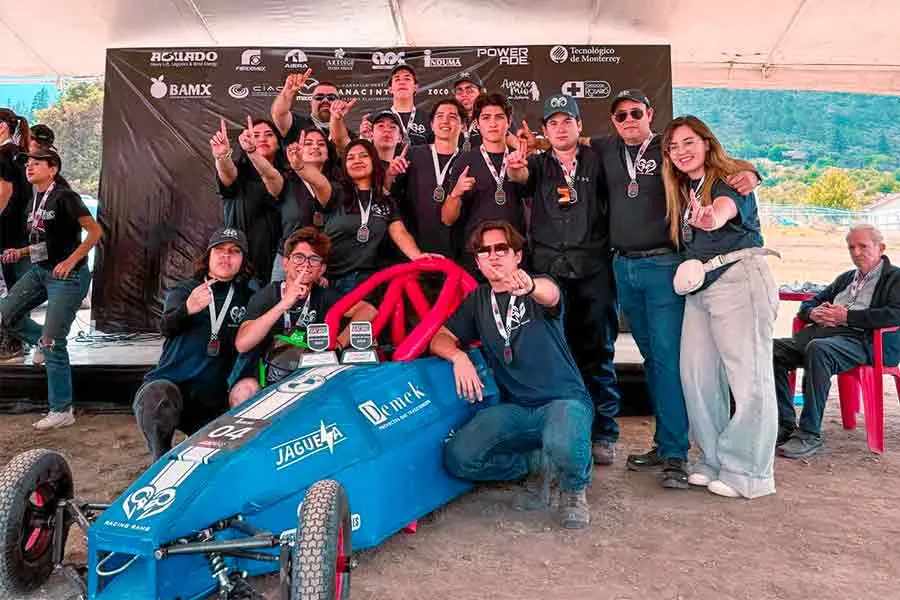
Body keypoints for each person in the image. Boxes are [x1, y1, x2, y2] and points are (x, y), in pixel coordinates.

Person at [567, 89, 759, 478]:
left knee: (669, 361)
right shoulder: (606, 147)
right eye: (620, 116)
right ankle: (665, 443)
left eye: (635, 113)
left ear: (649, 113)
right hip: (624, 268)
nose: (628, 120)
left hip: (664, 265)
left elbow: (727, 164)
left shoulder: (669, 148)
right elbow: (574, 140)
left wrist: (754, 172)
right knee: (653, 359)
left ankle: (675, 453)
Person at [429, 220, 593, 529]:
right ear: (477, 261)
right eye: (484, 251)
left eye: (501, 248)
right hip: (517, 408)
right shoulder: (478, 300)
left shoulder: (537, 284)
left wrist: (530, 287)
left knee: (563, 440)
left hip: (563, 401)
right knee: (459, 458)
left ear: (517, 255)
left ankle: (573, 488)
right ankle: (536, 465)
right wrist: (458, 356)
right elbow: (440, 336)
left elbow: (551, 294)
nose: (493, 256)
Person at [505, 94, 628, 480]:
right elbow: (519, 180)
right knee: (553, 352)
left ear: (579, 126)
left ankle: (603, 431)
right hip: (548, 272)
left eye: (567, 121)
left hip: (592, 268)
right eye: (553, 123)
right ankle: (555, 430)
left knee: (597, 350)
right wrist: (514, 169)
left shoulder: (599, 160)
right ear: (545, 131)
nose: (560, 127)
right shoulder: (537, 164)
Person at [662, 115, 778, 499]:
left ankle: (748, 472)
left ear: (707, 143)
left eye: (689, 142)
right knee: (696, 375)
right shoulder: (681, 187)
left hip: (739, 277)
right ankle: (712, 458)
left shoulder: (731, 178)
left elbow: (725, 207)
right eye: (674, 146)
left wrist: (713, 217)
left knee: (749, 377)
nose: (681, 151)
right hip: (700, 286)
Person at [774, 224, 900, 459]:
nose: (856, 252)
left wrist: (847, 317)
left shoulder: (895, 278)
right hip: (827, 337)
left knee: (819, 350)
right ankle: (785, 424)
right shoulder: (845, 278)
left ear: (881, 247)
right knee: (771, 350)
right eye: (851, 247)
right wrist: (812, 314)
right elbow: (809, 303)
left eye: (863, 246)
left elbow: (894, 314)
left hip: (865, 342)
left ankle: (809, 434)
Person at [0, 148, 102, 429]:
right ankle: (40, 342)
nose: (29, 168)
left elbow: (95, 232)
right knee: (6, 314)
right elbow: (47, 244)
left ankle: (62, 409)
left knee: (54, 341)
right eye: (28, 164)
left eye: (36, 163)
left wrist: (71, 260)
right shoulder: (32, 200)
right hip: (41, 270)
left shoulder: (66, 197)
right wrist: (19, 253)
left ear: (53, 168)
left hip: (68, 277)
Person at [133, 228, 254, 459]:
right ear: (208, 255)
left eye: (234, 251)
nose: (225, 256)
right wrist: (187, 309)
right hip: (173, 387)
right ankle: (161, 461)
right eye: (219, 250)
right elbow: (165, 327)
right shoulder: (186, 289)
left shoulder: (248, 297)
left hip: (214, 398)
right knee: (156, 395)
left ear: (243, 260)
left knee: (211, 464)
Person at [229, 227, 377, 406]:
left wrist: (338, 343)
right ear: (285, 263)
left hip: (310, 378)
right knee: (242, 392)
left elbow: (368, 310)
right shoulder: (268, 295)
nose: (306, 264)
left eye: (314, 259)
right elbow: (242, 344)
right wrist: (285, 303)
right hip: (267, 378)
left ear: (321, 269)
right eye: (299, 257)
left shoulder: (324, 295)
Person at [323, 139, 435, 294]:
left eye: (363, 156)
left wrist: (418, 257)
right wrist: (300, 167)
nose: (357, 161)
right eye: (350, 158)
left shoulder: (386, 201)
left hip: (366, 282)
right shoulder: (334, 192)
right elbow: (315, 179)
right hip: (328, 280)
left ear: (373, 161)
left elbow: (400, 233)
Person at [442, 93, 526, 274]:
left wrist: (518, 170)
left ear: (509, 121)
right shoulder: (464, 161)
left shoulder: (519, 157)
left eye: (499, 117)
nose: (493, 123)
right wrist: (456, 193)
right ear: (477, 124)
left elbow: (524, 178)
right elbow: (447, 219)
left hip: (514, 254)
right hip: (477, 256)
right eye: (486, 118)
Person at [386, 98, 465, 259]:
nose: (445, 121)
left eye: (452, 116)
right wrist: (390, 174)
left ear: (462, 125)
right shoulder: (412, 154)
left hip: (455, 253)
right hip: (413, 251)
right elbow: (387, 193)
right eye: (440, 116)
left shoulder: (468, 160)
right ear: (431, 124)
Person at [210, 116, 284, 283]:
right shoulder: (239, 170)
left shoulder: (287, 174)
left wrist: (253, 152)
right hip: (239, 261)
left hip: (277, 263)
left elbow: (273, 181)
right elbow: (228, 173)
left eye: (268, 134)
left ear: (279, 143)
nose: (262, 139)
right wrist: (222, 157)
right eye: (255, 135)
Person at [270, 127, 337, 281]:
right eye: (308, 143)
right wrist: (252, 151)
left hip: (323, 261)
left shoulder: (337, 184)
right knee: (279, 302)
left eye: (321, 144)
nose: (315, 147)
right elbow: (267, 173)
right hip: (287, 259)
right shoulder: (285, 181)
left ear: (328, 153)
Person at [0, 108, 31, 359]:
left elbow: (4, 193)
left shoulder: (4, 154)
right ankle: (17, 341)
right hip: (19, 231)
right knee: (18, 290)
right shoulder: (18, 154)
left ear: (2, 126)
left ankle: (19, 340)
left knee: (14, 290)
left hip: (9, 232)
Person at [271, 71, 356, 150]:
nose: (325, 101)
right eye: (319, 97)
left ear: (339, 101)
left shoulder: (347, 134)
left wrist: (337, 119)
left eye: (331, 98)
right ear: (310, 103)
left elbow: (341, 143)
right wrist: (287, 92)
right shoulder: (296, 123)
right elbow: (279, 114)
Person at [361, 65, 431, 147]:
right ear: (390, 89)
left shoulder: (428, 119)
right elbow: (366, 151)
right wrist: (364, 138)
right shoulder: (375, 119)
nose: (402, 82)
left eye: (407, 79)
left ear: (415, 87)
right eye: (397, 79)